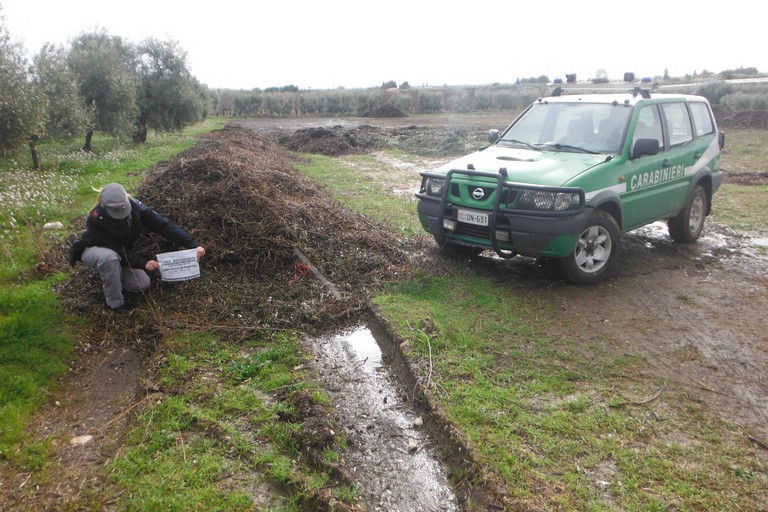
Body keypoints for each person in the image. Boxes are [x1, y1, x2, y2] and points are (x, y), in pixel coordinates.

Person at [70, 183, 205, 313]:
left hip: (120, 253)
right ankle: (115, 303)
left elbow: (163, 226)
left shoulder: (138, 209)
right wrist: (142, 263)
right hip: (94, 248)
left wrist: (193, 245)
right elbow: (115, 247)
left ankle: (112, 274)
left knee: (141, 284)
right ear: (104, 206)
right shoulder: (96, 218)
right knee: (109, 258)